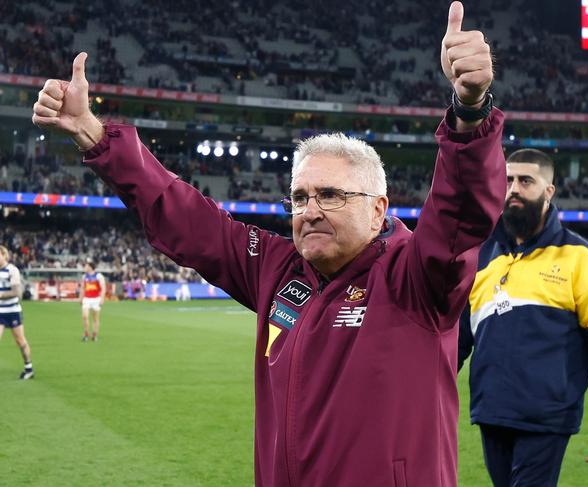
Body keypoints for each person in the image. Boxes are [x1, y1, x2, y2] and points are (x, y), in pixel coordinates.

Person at [33, 3, 506, 485]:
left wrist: (470, 114)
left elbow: (460, 213)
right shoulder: (278, 271)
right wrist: (94, 134)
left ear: (379, 209)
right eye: (299, 197)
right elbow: (186, 217)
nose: (310, 210)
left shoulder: (417, 277)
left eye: (331, 195)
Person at [458, 148, 588, 487]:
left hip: (547, 416)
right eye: (507, 180)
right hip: (492, 411)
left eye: (526, 181)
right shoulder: (484, 256)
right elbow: (457, 339)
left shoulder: (581, 258)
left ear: (548, 191)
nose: (514, 189)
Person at [0, 245, 34, 380]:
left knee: (20, 341)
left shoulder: (12, 270)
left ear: (4, 255)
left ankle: (29, 368)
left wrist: (1, 295)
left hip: (13, 310)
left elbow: (17, 293)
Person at [80, 259, 106, 342]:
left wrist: (102, 298)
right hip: (87, 298)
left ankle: (94, 334)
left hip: (96, 299)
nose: (84, 267)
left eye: (86, 266)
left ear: (90, 267)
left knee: (95, 318)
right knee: (85, 316)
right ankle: (86, 333)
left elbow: (103, 288)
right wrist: (81, 298)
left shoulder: (99, 276)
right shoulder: (84, 276)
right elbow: (82, 288)